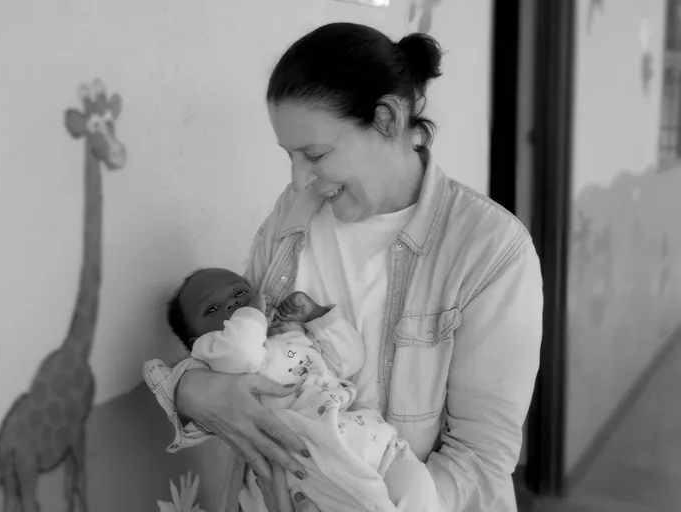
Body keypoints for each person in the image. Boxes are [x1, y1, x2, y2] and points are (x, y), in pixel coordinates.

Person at [141, 22, 543, 512]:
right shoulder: (290, 219)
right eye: (290, 156)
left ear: (387, 118)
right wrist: (192, 387)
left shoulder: (491, 250)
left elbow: (479, 460)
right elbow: (243, 346)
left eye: (315, 154)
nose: (298, 178)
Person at [166, 267, 443, 511]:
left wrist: (316, 316)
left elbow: (349, 360)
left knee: (418, 487)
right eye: (212, 309)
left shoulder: (290, 331)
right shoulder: (215, 352)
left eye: (240, 293)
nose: (232, 304)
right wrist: (251, 312)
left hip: (366, 436)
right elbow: (243, 353)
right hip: (314, 454)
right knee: (367, 503)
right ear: (195, 340)